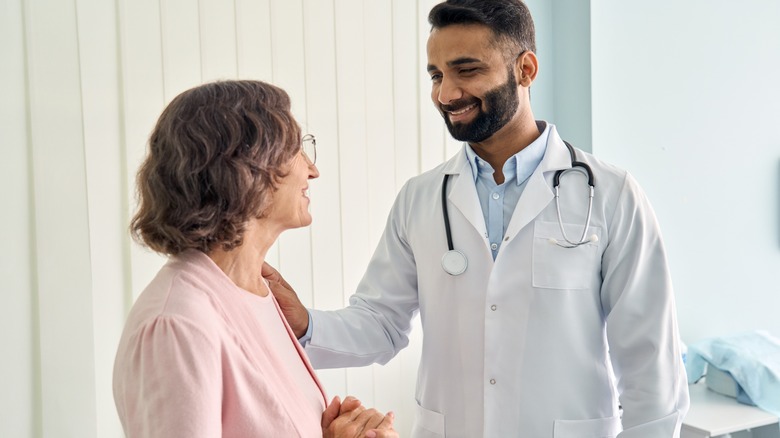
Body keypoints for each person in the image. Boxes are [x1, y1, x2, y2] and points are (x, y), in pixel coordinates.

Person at [262, 1, 690, 437]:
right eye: (436, 75)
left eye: (466, 71)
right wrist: (306, 322)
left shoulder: (611, 196)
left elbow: (650, 366)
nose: (446, 94)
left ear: (525, 69)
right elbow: (380, 323)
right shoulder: (422, 198)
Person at [113, 80, 397, 438]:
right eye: (296, 149)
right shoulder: (178, 324)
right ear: (247, 169)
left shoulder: (255, 293)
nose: (312, 170)